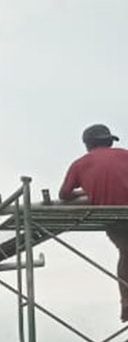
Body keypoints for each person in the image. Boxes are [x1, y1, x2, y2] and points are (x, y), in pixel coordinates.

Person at [58, 123, 128, 322]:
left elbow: (64, 194)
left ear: (87, 145)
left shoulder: (80, 164)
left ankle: (126, 299)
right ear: (108, 141)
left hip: (111, 216)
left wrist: (85, 190)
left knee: (126, 253)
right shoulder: (126, 155)